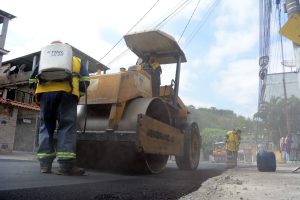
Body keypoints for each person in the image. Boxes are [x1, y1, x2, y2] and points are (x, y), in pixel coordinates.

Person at [29, 41, 90, 175]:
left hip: (46, 96)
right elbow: (86, 81)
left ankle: (45, 165)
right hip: (67, 94)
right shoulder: (76, 60)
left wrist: (39, 94)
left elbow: (32, 80)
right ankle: (66, 166)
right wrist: (78, 95)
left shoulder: (44, 60)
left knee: (45, 126)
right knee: (66, 127)